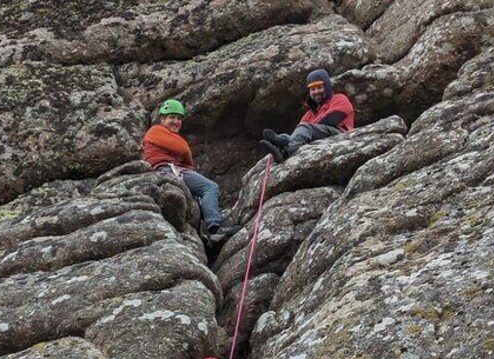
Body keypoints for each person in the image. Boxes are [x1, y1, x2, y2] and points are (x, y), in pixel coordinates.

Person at [142, 100, 238, 238]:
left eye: (179, 118)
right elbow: (183, 149)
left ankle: (206, 232)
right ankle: (214, 226)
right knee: (210, 187)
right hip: (167, 169)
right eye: (172, 117)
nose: (176, 121)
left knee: (198, 199)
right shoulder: (156, 130)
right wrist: (186, 159)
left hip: (165, 170)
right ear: (162, 119)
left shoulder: (164, 135)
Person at [259, 68, 355, 163]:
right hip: (318, 135)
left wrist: (308, 128)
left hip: (339, 134)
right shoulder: (309, 113)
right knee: (285, 136)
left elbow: (332, 120)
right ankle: (279, 149)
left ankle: (285, 152)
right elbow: (299, 133)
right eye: (313, 89)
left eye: (319, 87)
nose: (316, 91)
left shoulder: (339, 99)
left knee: (304, 128)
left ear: (327, 87)